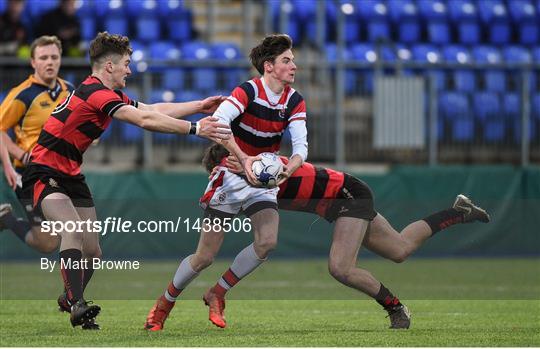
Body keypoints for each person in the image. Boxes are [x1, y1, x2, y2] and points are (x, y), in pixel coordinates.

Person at [144, 143, 490, 331]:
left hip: (348, 195)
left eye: (229, 164)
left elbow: (273, 171)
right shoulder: (243, 181)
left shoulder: (262, 165)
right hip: (338, 200)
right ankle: (458, 212)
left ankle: (396, 309)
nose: (228, 170)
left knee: (340, 267)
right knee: (399, 249)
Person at [21, 31, 231, 330]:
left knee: (93, 251)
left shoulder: (108, 94)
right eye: (126, 64)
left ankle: (70, 298)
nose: (130, 70)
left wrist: (198, 105)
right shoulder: (96, 93)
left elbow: (151, 110)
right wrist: (196, 129)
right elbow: (144, 122)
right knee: (74, 230)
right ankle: (77, 303)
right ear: (110, 67)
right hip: (43, 171)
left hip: (69, 174)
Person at [144, 33, 308, 330]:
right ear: (269, 66)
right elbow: (217, 123)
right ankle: (165, 303)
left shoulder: (294, 100)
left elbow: (301, 148)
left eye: (293, 60)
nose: (294, 66)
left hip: (262, 182)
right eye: (287, 60)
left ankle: (217, 293)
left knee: (267, 242)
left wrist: (287, 170)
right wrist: (244, 159)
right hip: (231, 179)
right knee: (204, 257)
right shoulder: (248, 91)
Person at [0, 36, 73, 253]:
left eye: (54, 57)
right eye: (43, 58)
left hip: (58, 172)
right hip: (28, 174)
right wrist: (21, 156)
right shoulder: (22, 94)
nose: (49, 62)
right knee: (56, 239)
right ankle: (8, 220)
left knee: (60, 237)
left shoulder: (69, 90)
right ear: (33, 62)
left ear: (60, 59)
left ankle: (6, 220)